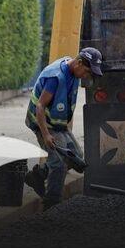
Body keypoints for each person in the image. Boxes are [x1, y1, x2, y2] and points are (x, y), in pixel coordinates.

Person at [24, 47, 103, 209]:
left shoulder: (73, 71)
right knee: (58, 164)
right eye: (88, 71)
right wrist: (46, 135)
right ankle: (51, 205)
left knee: (77, 159)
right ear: (79, 63)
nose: (87, 76)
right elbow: (40, 106)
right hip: (43, 123)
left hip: (59, 125)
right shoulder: (56, 77)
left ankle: (38, 175)